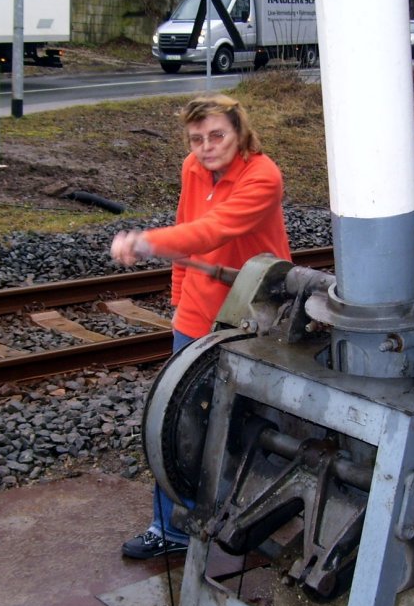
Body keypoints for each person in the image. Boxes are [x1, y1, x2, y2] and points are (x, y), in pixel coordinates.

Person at [110, 93, 292, 559]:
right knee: (177, 421)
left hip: (253, 313)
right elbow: (186, 233)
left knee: (247, 423)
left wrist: (146, 242)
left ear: (238, 132)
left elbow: (212, 230)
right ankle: (171, 528)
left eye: (217, 136)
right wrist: (179, 299)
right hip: (197, 311)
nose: (207, 147)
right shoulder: (193, 169)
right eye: (196, 139)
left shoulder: (262, 176)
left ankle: (252, 513)